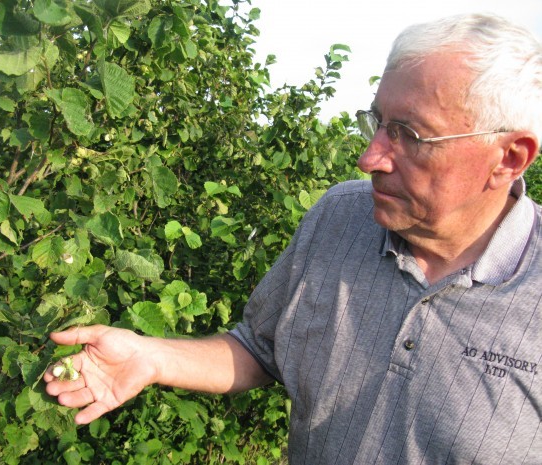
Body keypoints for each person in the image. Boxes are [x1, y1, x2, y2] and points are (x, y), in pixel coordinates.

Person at [45, 13, 542, 464]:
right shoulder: (340, 218)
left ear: (509, 158)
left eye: (410, 136)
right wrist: (151, 356)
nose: (369, 158)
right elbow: (260, 348)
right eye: (378, 123)